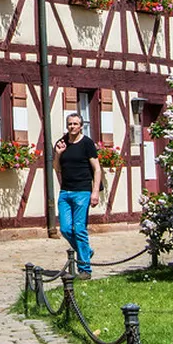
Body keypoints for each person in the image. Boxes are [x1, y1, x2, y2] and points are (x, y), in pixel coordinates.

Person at [54, 112, 102, 280]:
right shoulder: (61, 143)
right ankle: (87, 252)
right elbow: (56, 168)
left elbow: (97, 168)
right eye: (69, 124)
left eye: (75, 124)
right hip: (65, 192)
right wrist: (58, 154)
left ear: (81, 126)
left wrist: (95, 191)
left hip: (82, 191)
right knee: (66, 229)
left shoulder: (87, 143)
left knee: (79, 229)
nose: (72, 127)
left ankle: (85, 269)